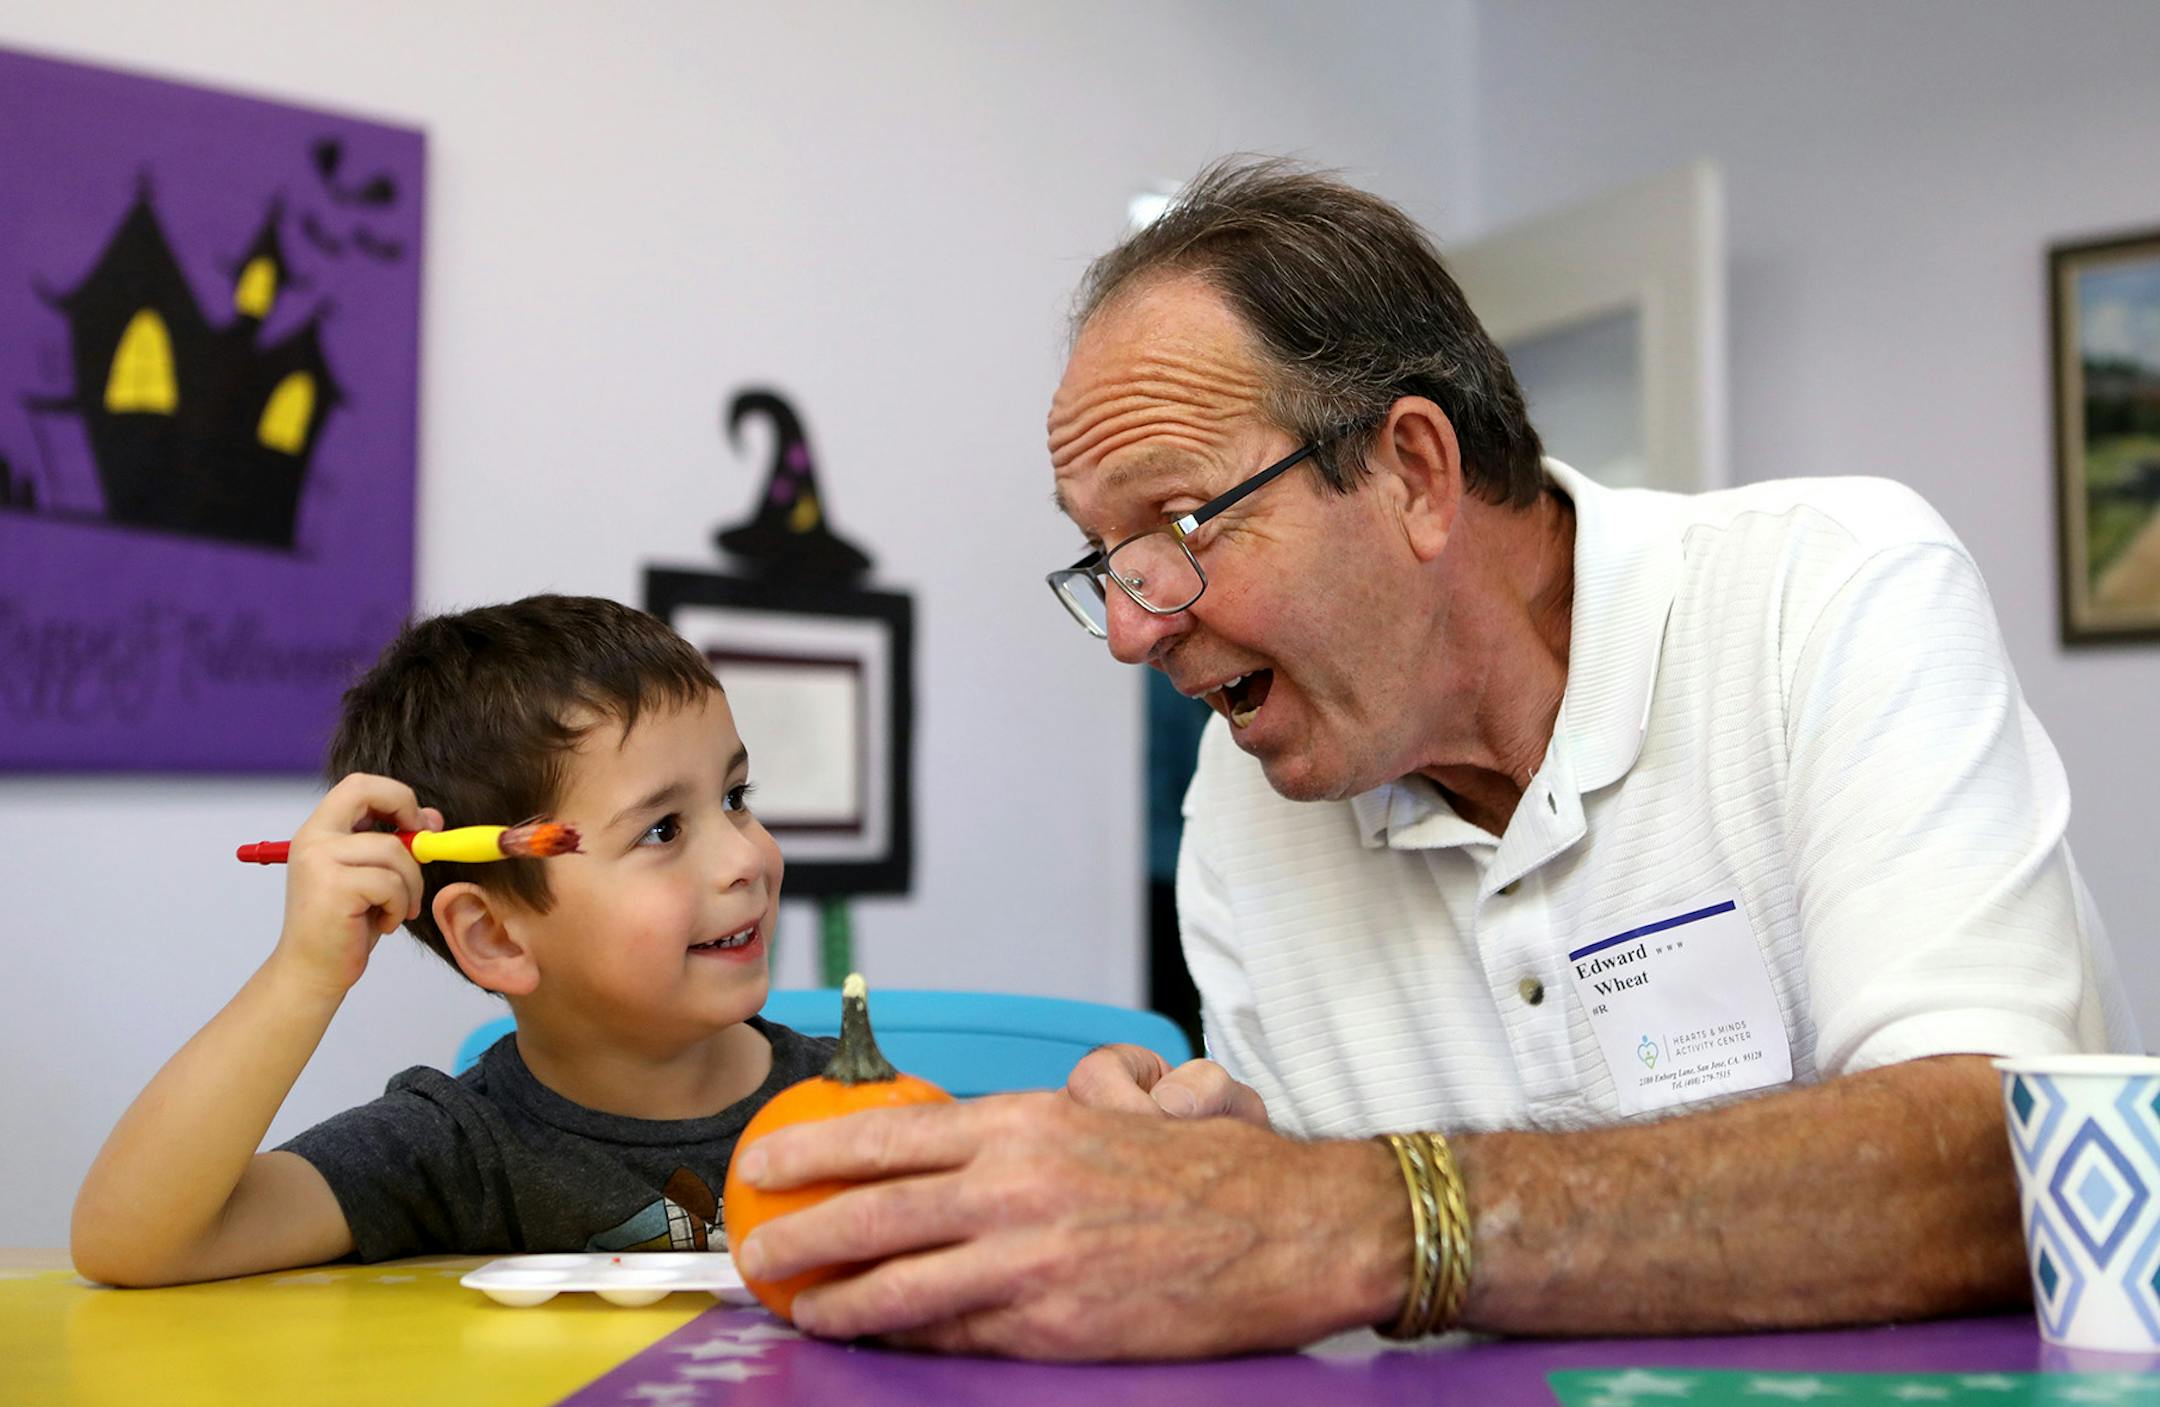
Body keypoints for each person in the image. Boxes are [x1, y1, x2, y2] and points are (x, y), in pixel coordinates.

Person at [724, 158, 2137, 1361]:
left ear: (1412, 469)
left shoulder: (1829, 594)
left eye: (1176, 523)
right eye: (1105, 560)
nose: (1130, 627)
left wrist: (1337, 1213)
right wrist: (1220, 1173)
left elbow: (1992, 1163)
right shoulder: (1245, 799)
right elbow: (1327, 1281)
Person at [72, 594, 824, 1285]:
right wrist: (302, 975)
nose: (745, 858)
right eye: (662, 829)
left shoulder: (849, 1103)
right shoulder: (453, 1150)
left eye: (735, 797)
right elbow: (132, 1241)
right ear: (495, 935)